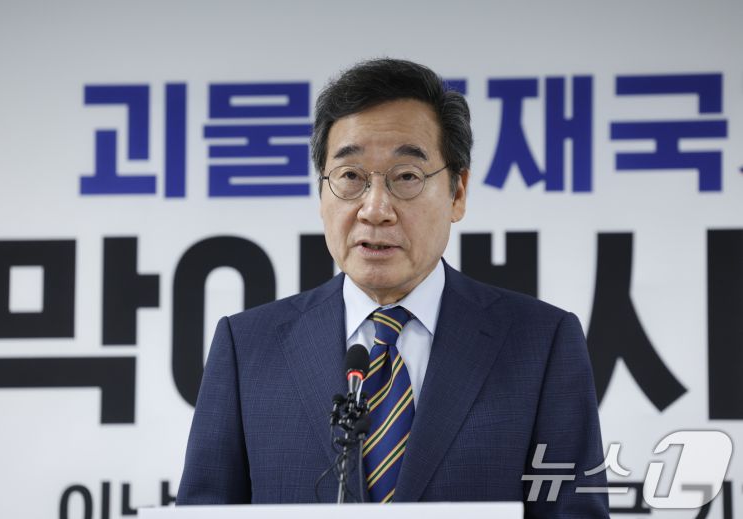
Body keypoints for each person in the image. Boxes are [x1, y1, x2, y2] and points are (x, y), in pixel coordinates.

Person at [177, 58, 609, 516]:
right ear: (321, 192)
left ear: (458, 193)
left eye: (406, 177)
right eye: (350, 176)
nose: (375, 209)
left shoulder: (541, 344)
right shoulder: (247, 348)